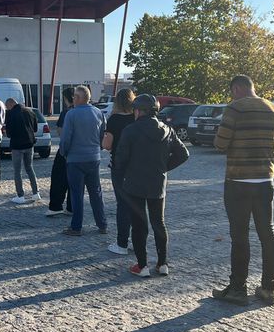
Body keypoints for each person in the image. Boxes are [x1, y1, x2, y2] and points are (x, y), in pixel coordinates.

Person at [211, 75, 274, 306]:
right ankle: (268, 287)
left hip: (238, 181)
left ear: (236, 89)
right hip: (265, 181)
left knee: (240, 235)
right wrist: (270, 172)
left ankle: (237, 288)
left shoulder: (235, 109)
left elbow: (220, 143)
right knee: (268, 233)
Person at [116, 94, 189, 276]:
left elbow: (121, 159)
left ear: (139, 110)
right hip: (157, 182)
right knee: (159, 223)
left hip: (135, 183)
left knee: (139, 225)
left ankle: (142, 266)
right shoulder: (167, 130)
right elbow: (183, 154)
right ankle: (162, 264)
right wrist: (164, 167)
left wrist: (121, 175)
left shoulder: (130, 130)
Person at [60, 85, 107, 235]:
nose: (72, 98)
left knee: (76, 194)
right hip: (93, 158)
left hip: (75, 159)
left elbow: (66, 139)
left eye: (74, 96)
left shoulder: (71, 114)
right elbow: (102, 135)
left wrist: (64, 153)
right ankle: (102, 224)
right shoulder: (98, 112)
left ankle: (76, 227)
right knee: (96, 192)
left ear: (79, 98)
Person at [103, 88, 136, 254]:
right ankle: (135, 241)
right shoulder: (136, 117)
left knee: (122, 204)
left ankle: (122, 242)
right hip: (137, 165)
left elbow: (107, 145)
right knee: (136, 203)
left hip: (119, 166)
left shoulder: (114, 120)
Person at [45, 87, 74, 216]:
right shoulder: (90, 111)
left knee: (58, 178)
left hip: (66, 151)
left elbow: (62, 132)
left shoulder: (66, 112)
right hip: (81, 152)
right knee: (74, 180)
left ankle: (56, 206)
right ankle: (72, 207)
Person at [4, 97, 40, 204]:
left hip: (17, 146)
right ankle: (36, 193)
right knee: (29, 168)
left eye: (7, 107)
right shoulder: (29, 111)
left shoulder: (10, 114)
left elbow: (9, 133)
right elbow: (35, 129)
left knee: (17, 171)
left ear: (10, 105)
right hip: (29, 144)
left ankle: (20, 195)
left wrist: (7, 133)